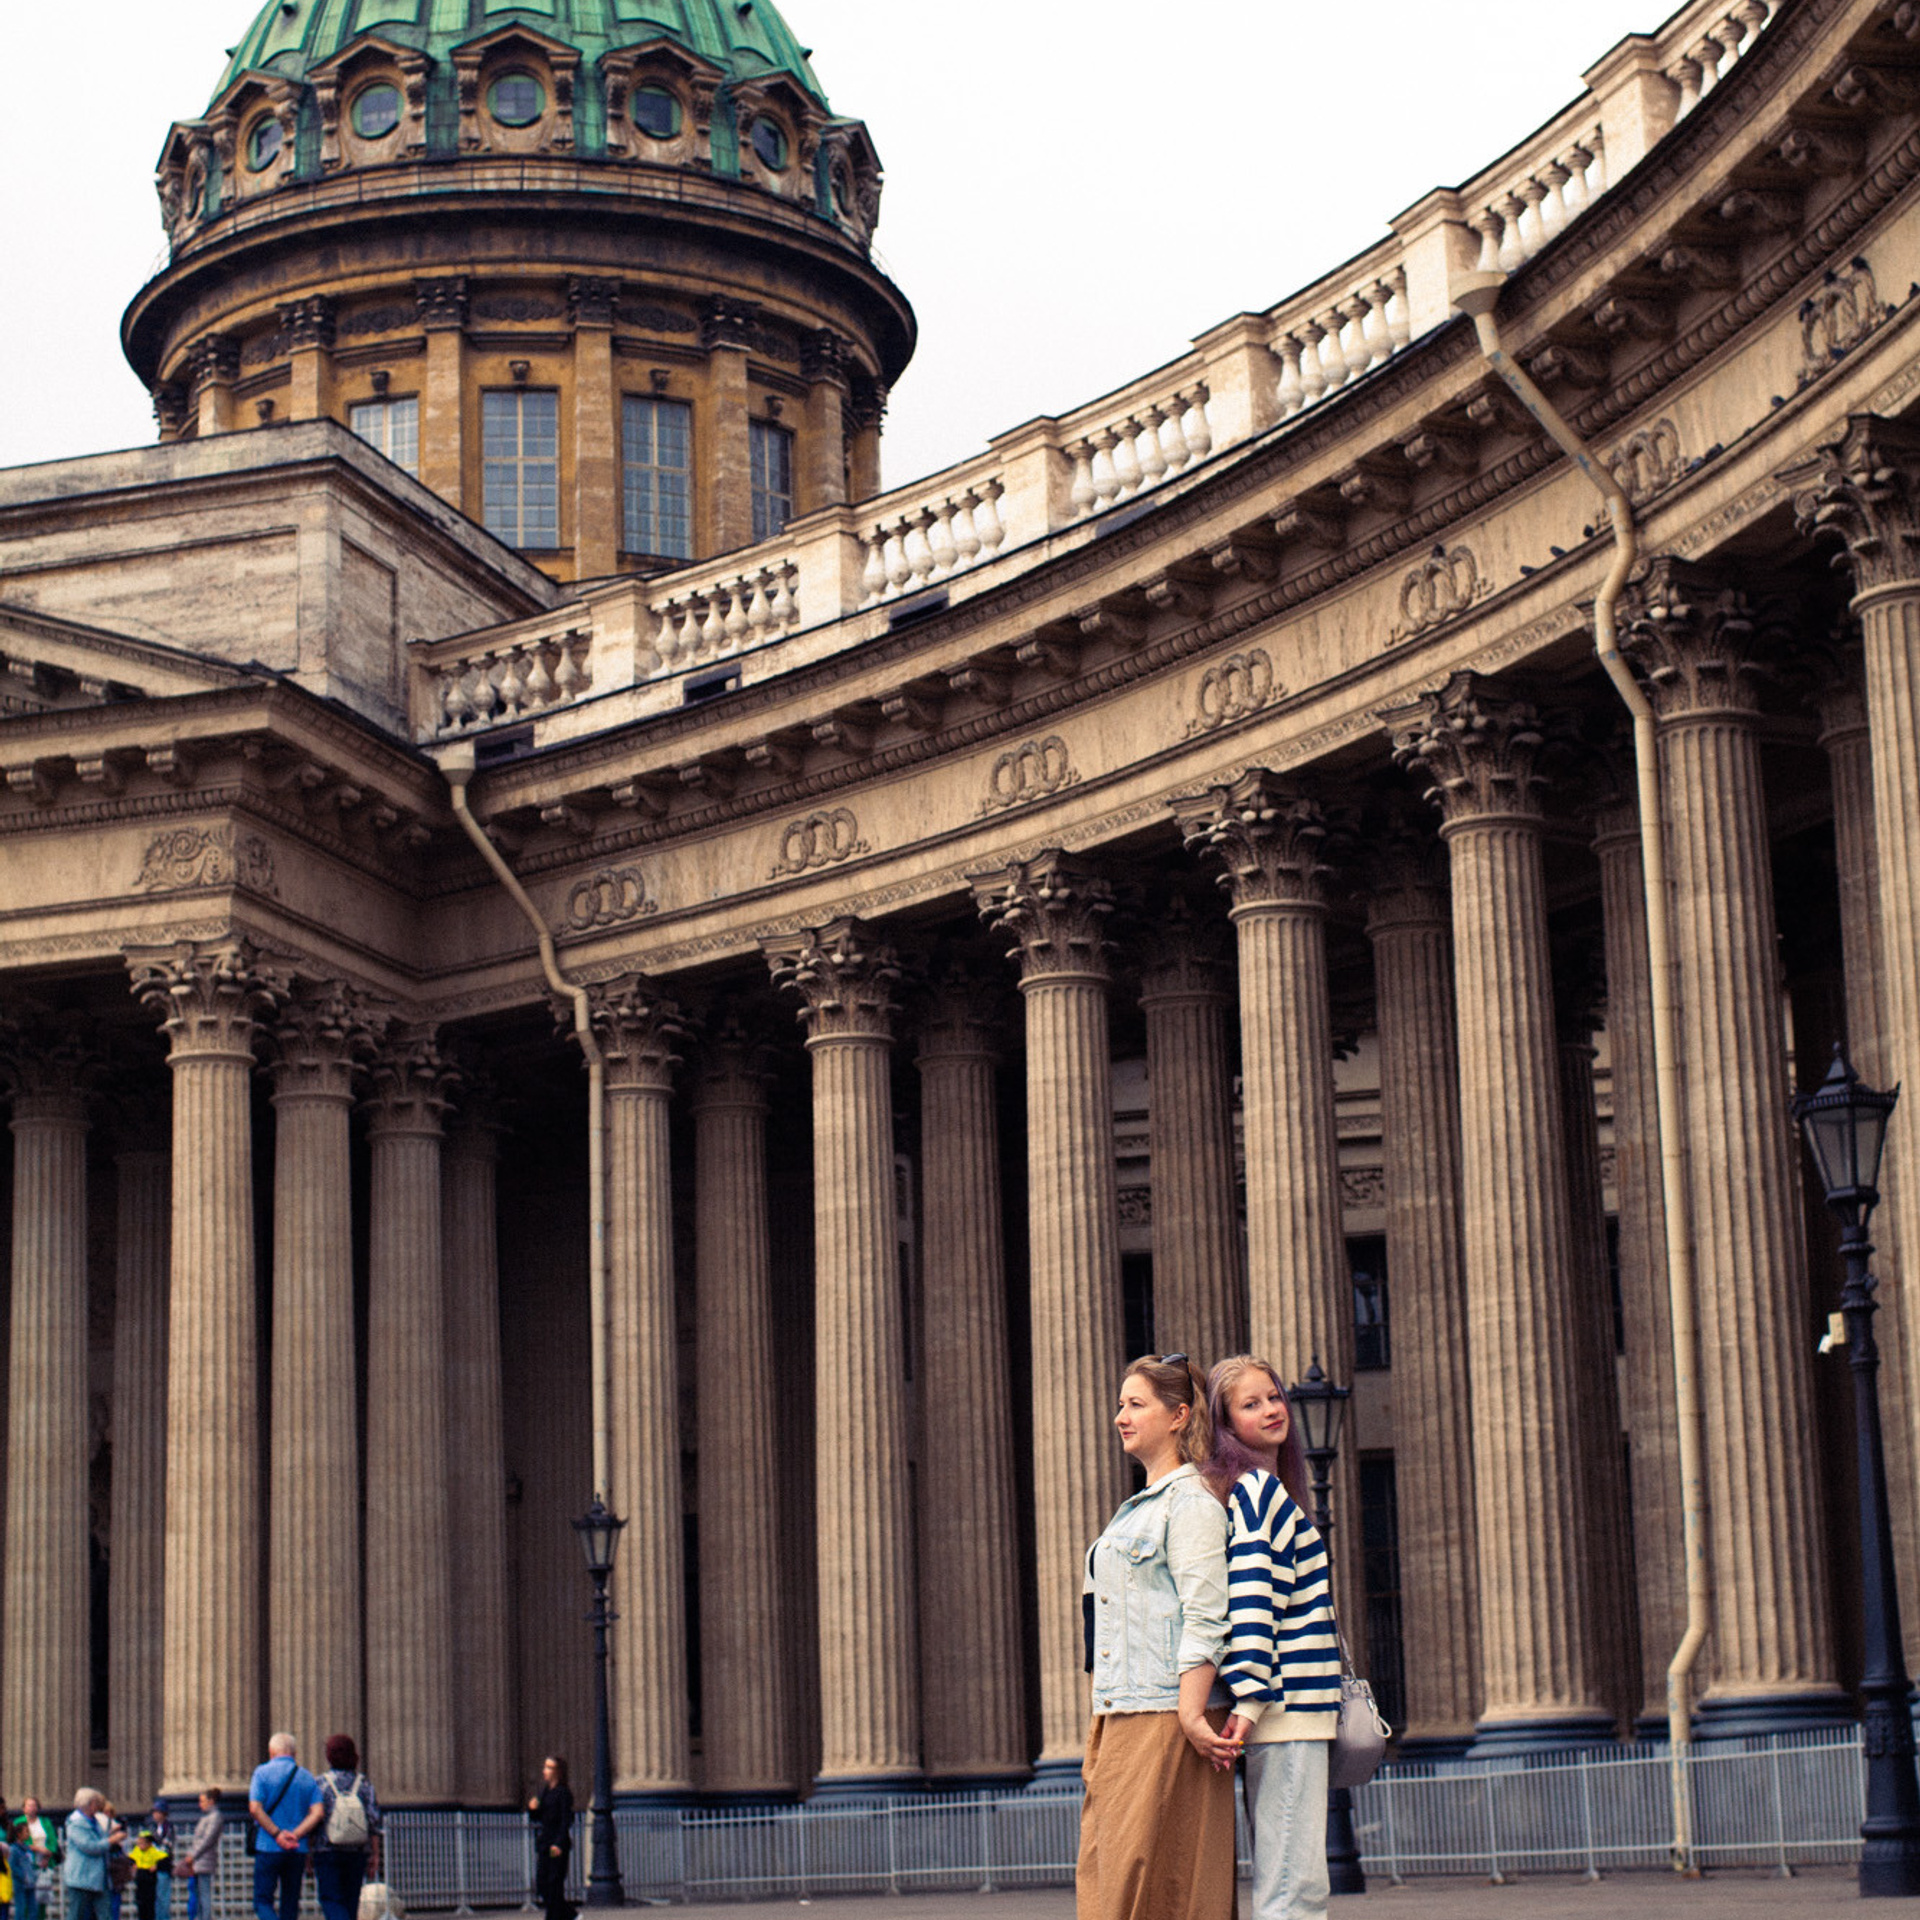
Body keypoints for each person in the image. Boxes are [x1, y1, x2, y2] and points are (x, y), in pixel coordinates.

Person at [1075, 1353, 1236, 1920]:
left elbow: (1207, 1615)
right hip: (1122, 1713)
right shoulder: (1139, 1509)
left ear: (1179, 1415)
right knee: (1112, 1885)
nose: (1121, 1416)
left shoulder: (1190, 1503)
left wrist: (1192, 1714)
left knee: (1159, 1886)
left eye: (1136, 1404)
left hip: (1166, 1716)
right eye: (1121, 1404)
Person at [1205, 1354, 1344, 1920]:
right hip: (1286, 1708)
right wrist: (1252, 1695)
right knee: (1294, 1886)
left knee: (1288, 1877)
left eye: (1273, 1396)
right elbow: (1254, 1598)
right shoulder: (1259, 1491)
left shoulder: (1257, 1489)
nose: (1271, 1410)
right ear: (1225, 1423)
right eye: (1250, 1403)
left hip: (1281, 1707)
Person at [248, 1734, 324, 1920]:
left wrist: (277, 1834)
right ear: (295, 1753)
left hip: (268, 1845)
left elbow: (255, 1808)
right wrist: (295, 1835)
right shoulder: (307, 1777)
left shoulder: (262, 1773)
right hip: (297, 1848)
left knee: (262, 1901)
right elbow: (318, 1812)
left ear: (271, 1752)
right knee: (290, 1903)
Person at [311, 1738, 380, 1920]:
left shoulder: (320, 1784)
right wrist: (375, 1853)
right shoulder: (364, 1784)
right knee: (351, 1900)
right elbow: (373, 1821)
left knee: (331, 1899)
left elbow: (314, 1819)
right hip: (357, 1850)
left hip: (327, 1849)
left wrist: (309, 1852)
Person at [62, 1790, 124, 1920]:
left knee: (105, 1914)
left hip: (99, 1878)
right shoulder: (76, 1823)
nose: (99, 1805)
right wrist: (110, 1840)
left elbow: (98, 1841)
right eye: (97, 1802)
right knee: (76, 1914)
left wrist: (110, 1835)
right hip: (81, 1878)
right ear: (90, 1803)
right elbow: (89, 1846)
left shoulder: (94, 1821)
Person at [526, 1757, 574, 1920]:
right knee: (542, 1884)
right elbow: (539, 1817)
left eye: (549, 1767)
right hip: (545, 1844)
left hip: (556, 1845)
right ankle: (570, 1915)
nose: (544, 1771)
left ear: (558, 1772)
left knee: (554, 1883)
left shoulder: (563, 1793)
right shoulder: (545, 1792)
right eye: (545, 1767)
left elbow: (565, 1820)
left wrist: (559, 1843)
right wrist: (532, 1809)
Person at [183, 1792, 222, 1920]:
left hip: (204, 1861)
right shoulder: (206, 1817)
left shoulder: (215, 1817)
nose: (200, 1804)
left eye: (203, 1801)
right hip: (197, 1862)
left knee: (204, 1895)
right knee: (198, 1894)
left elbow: (207, 1839)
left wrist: (193, 1855)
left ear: (211, 1801)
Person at [128, 1828, 170, 1920]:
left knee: (150, 1906)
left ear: (149, 1843)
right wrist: (133, 1864)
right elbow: (131, 1858)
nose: (140, 1845)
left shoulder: (154, 1851)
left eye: (142, 1843)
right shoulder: (137, 1851)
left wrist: (156, 1866)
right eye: (139, 1843)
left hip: (150, 1880)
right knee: (141, 1905)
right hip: (140, 1879)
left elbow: (165, 1859)